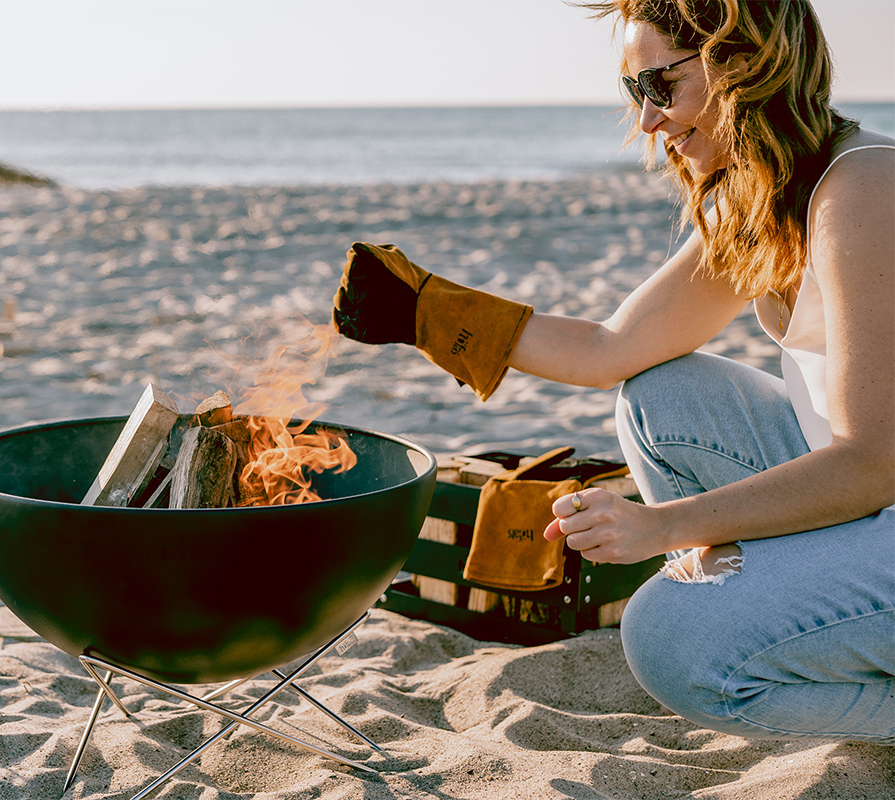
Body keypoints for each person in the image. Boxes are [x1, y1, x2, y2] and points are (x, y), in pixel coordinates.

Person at [332, 0, 893, 744]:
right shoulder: (766, 194)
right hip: (876, 507)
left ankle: (759, 627)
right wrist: (425, 311)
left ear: (746, 64)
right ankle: (781, 617)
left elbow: (871, 463)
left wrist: (663, 526)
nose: (649, 119)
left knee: (670, 638)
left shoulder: (864, 190)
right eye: (635, 91)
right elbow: (610, 348)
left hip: (876, 485)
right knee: (662, 396)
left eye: (659, 85)